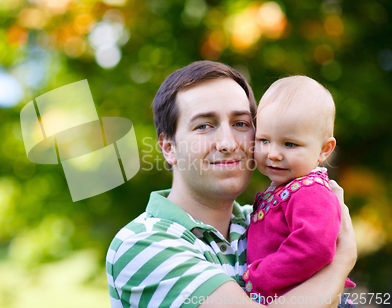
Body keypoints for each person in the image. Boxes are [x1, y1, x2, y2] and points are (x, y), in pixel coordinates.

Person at [106, 61, 356, 308]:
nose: (228, 143)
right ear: (169, 148)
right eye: (204, 126)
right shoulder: (144, 243)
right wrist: (343, 260)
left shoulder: (266, 221)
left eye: (240, 124)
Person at [243, 76, 355, 305]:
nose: (273, 153)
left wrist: (260, 276)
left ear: (324, 150)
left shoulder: (311, 193)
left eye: (290, 144)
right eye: (264, 140)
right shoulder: (287, 188)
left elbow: (313, 248)